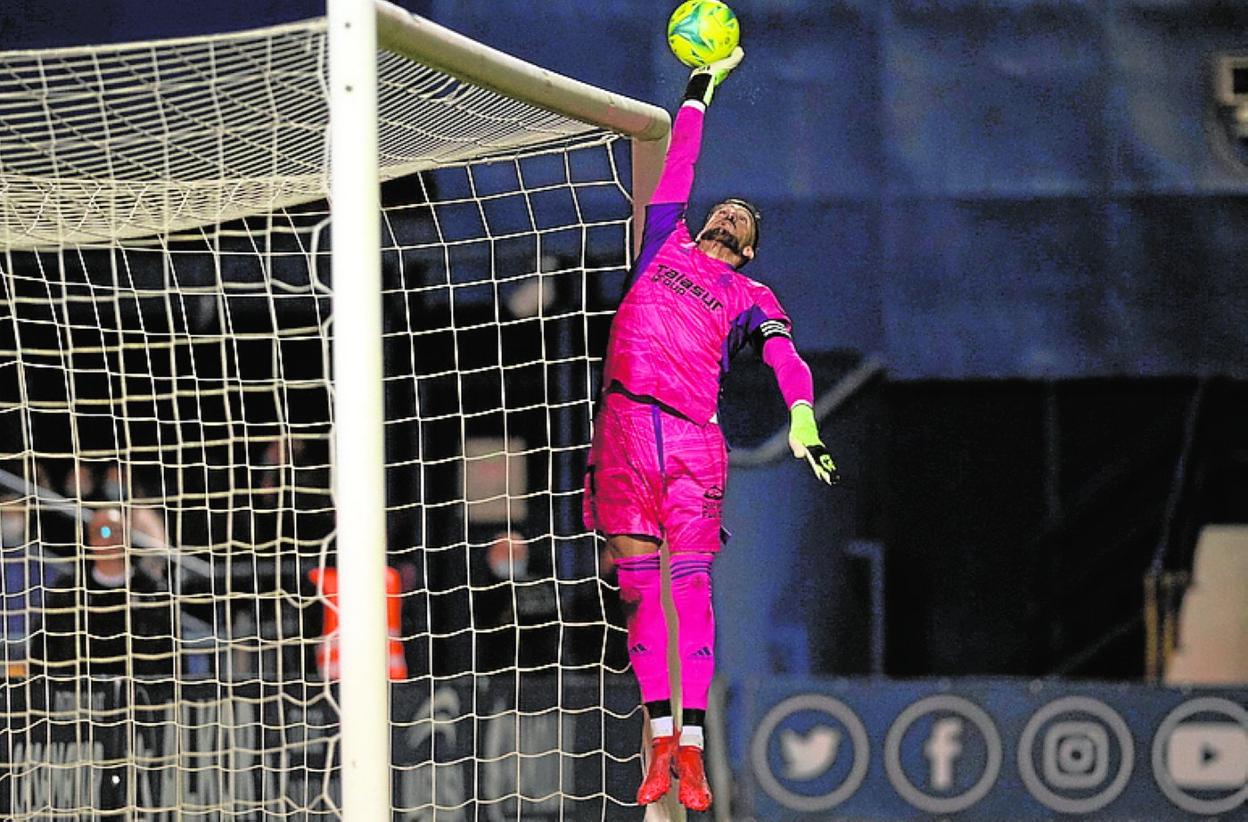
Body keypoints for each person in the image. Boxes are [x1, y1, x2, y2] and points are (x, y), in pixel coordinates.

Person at [581, 48, 839, 812]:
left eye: (744, 220)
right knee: (634, 588)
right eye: (727, 209)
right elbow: (680, 161)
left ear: (751, 247)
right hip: (624, 430)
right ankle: (661, 739)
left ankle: (691, 748)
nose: (731, 214)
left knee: (689, 586)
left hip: (694, 439)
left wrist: (802, 417)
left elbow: (786, 357)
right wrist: (701, 87)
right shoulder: (664, 240)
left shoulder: (751, 292)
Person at [30, 507, 176, 680]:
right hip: (79, 694)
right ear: (90, 539)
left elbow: (170, 653)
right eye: (105, 531)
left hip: (138, 695)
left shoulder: (152, 592)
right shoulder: (69, 592)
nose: (112, 538)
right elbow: (44, 648)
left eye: (119, 531)